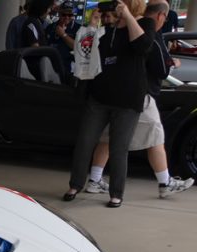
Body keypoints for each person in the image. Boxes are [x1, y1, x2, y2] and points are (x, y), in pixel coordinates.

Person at [84, 2, 193, 198]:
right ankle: (165, 183)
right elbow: (160, 69)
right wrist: (171, 65)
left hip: (115, 94)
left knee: (109, 138)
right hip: (140, 96)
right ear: (160, 16)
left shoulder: (122, 29)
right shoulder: (148, 31)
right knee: (156, 136)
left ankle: (94, 179)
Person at [63, 0, 152, 207]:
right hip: (100, 95)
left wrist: (128, 17)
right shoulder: (107, 29)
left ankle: (116, 193)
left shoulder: (144, 23)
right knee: (85, 140)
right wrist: (93, 24)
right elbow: (85, 52)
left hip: (128, 99)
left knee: (119, 147)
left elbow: (142, 47)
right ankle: (75, 184)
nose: (114, 10)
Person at [46, 3, 80, 75]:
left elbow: (78, 47)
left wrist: (63, 35)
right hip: (50, 66)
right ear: (59, 14)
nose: (67, 17)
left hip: (69, 69)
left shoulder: (79, 29)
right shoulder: (50, 27)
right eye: (64, 14)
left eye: (70, 15)